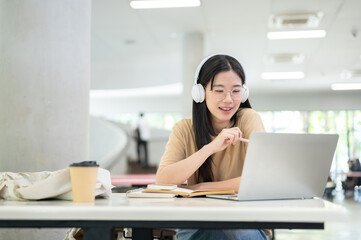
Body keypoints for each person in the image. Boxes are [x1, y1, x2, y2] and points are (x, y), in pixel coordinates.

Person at [155, 54, 269, 240]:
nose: (228, 100)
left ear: (244, 92)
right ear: (200, 93)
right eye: (219, 91)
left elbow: (259, 180)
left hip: (243, 219)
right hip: (199, 218)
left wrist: (201, 188)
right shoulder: (184, 129)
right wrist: (211, 147)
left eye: (235, 91)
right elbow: (163, 180)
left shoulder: (248, 118)